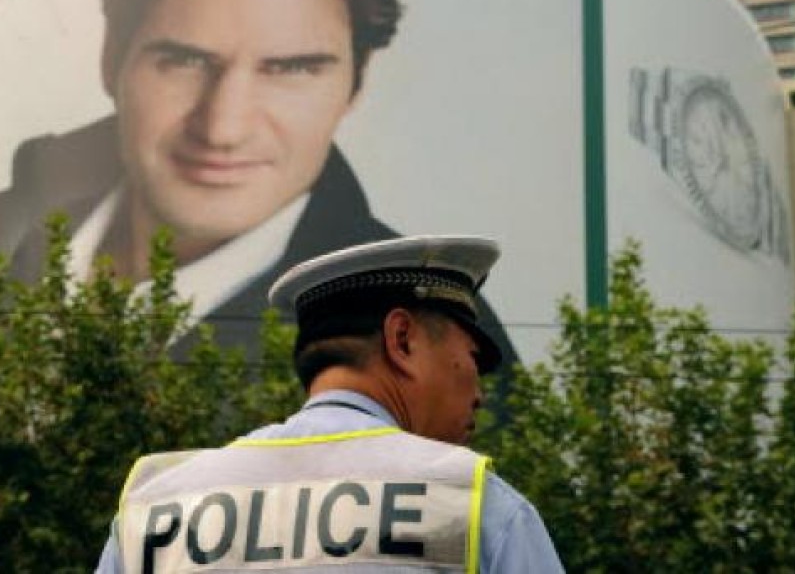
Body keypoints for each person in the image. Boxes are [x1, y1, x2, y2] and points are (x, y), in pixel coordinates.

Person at [0, 0, 518, 424]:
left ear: (355, 86)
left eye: (289, 69)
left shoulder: (425, 318)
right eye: (183, 60)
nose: (223, 126)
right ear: (111, 58)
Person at [96, 234, 563, 573]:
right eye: (472, 358)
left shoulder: (155, 512)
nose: (480, 390)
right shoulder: (472, 506)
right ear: (402, 339)